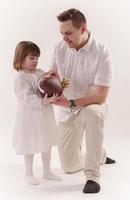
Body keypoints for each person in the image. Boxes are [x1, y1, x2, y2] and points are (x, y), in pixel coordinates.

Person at [49, 8, 116, 193]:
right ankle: (99, 155)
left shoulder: (102, 52)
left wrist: (72, 102)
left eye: (68, 33)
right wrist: (42, 82)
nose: (64, 38)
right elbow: (53, 75)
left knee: (93, 114)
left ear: (83, 28)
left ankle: (93, 176)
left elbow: (101, 96)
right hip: (67, 109)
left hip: (92, 104)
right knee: (69, 167)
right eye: (62, 33)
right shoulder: (60, 47)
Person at [13, 41, 62, 185]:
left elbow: (47, 82)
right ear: (21, 59)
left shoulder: (40, 72)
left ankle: (47, 171)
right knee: (31, 143)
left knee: (46, 142)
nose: (35, 61)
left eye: (37, 58)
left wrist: (56, 83)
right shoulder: (20, 77)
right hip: (29, 116)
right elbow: (25, 96)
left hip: (45, 115)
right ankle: (29, 173)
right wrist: (42, 101)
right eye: (32, 58)